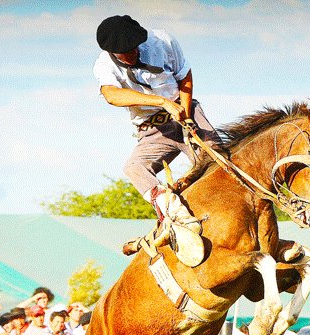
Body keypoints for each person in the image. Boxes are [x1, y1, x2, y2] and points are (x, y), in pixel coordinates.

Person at [93, 14, 221, 265]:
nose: (130, 56)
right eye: (123, 54)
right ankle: (172, 209)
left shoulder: (162, 41)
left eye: (132, 50)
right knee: (133, 168)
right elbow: (111, 95)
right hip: (152, 129)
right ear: (112, 52)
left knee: (215, 159)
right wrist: (160, 102)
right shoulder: (103, 66)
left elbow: (185, 75)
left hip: (185, 113)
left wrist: (185, 113)